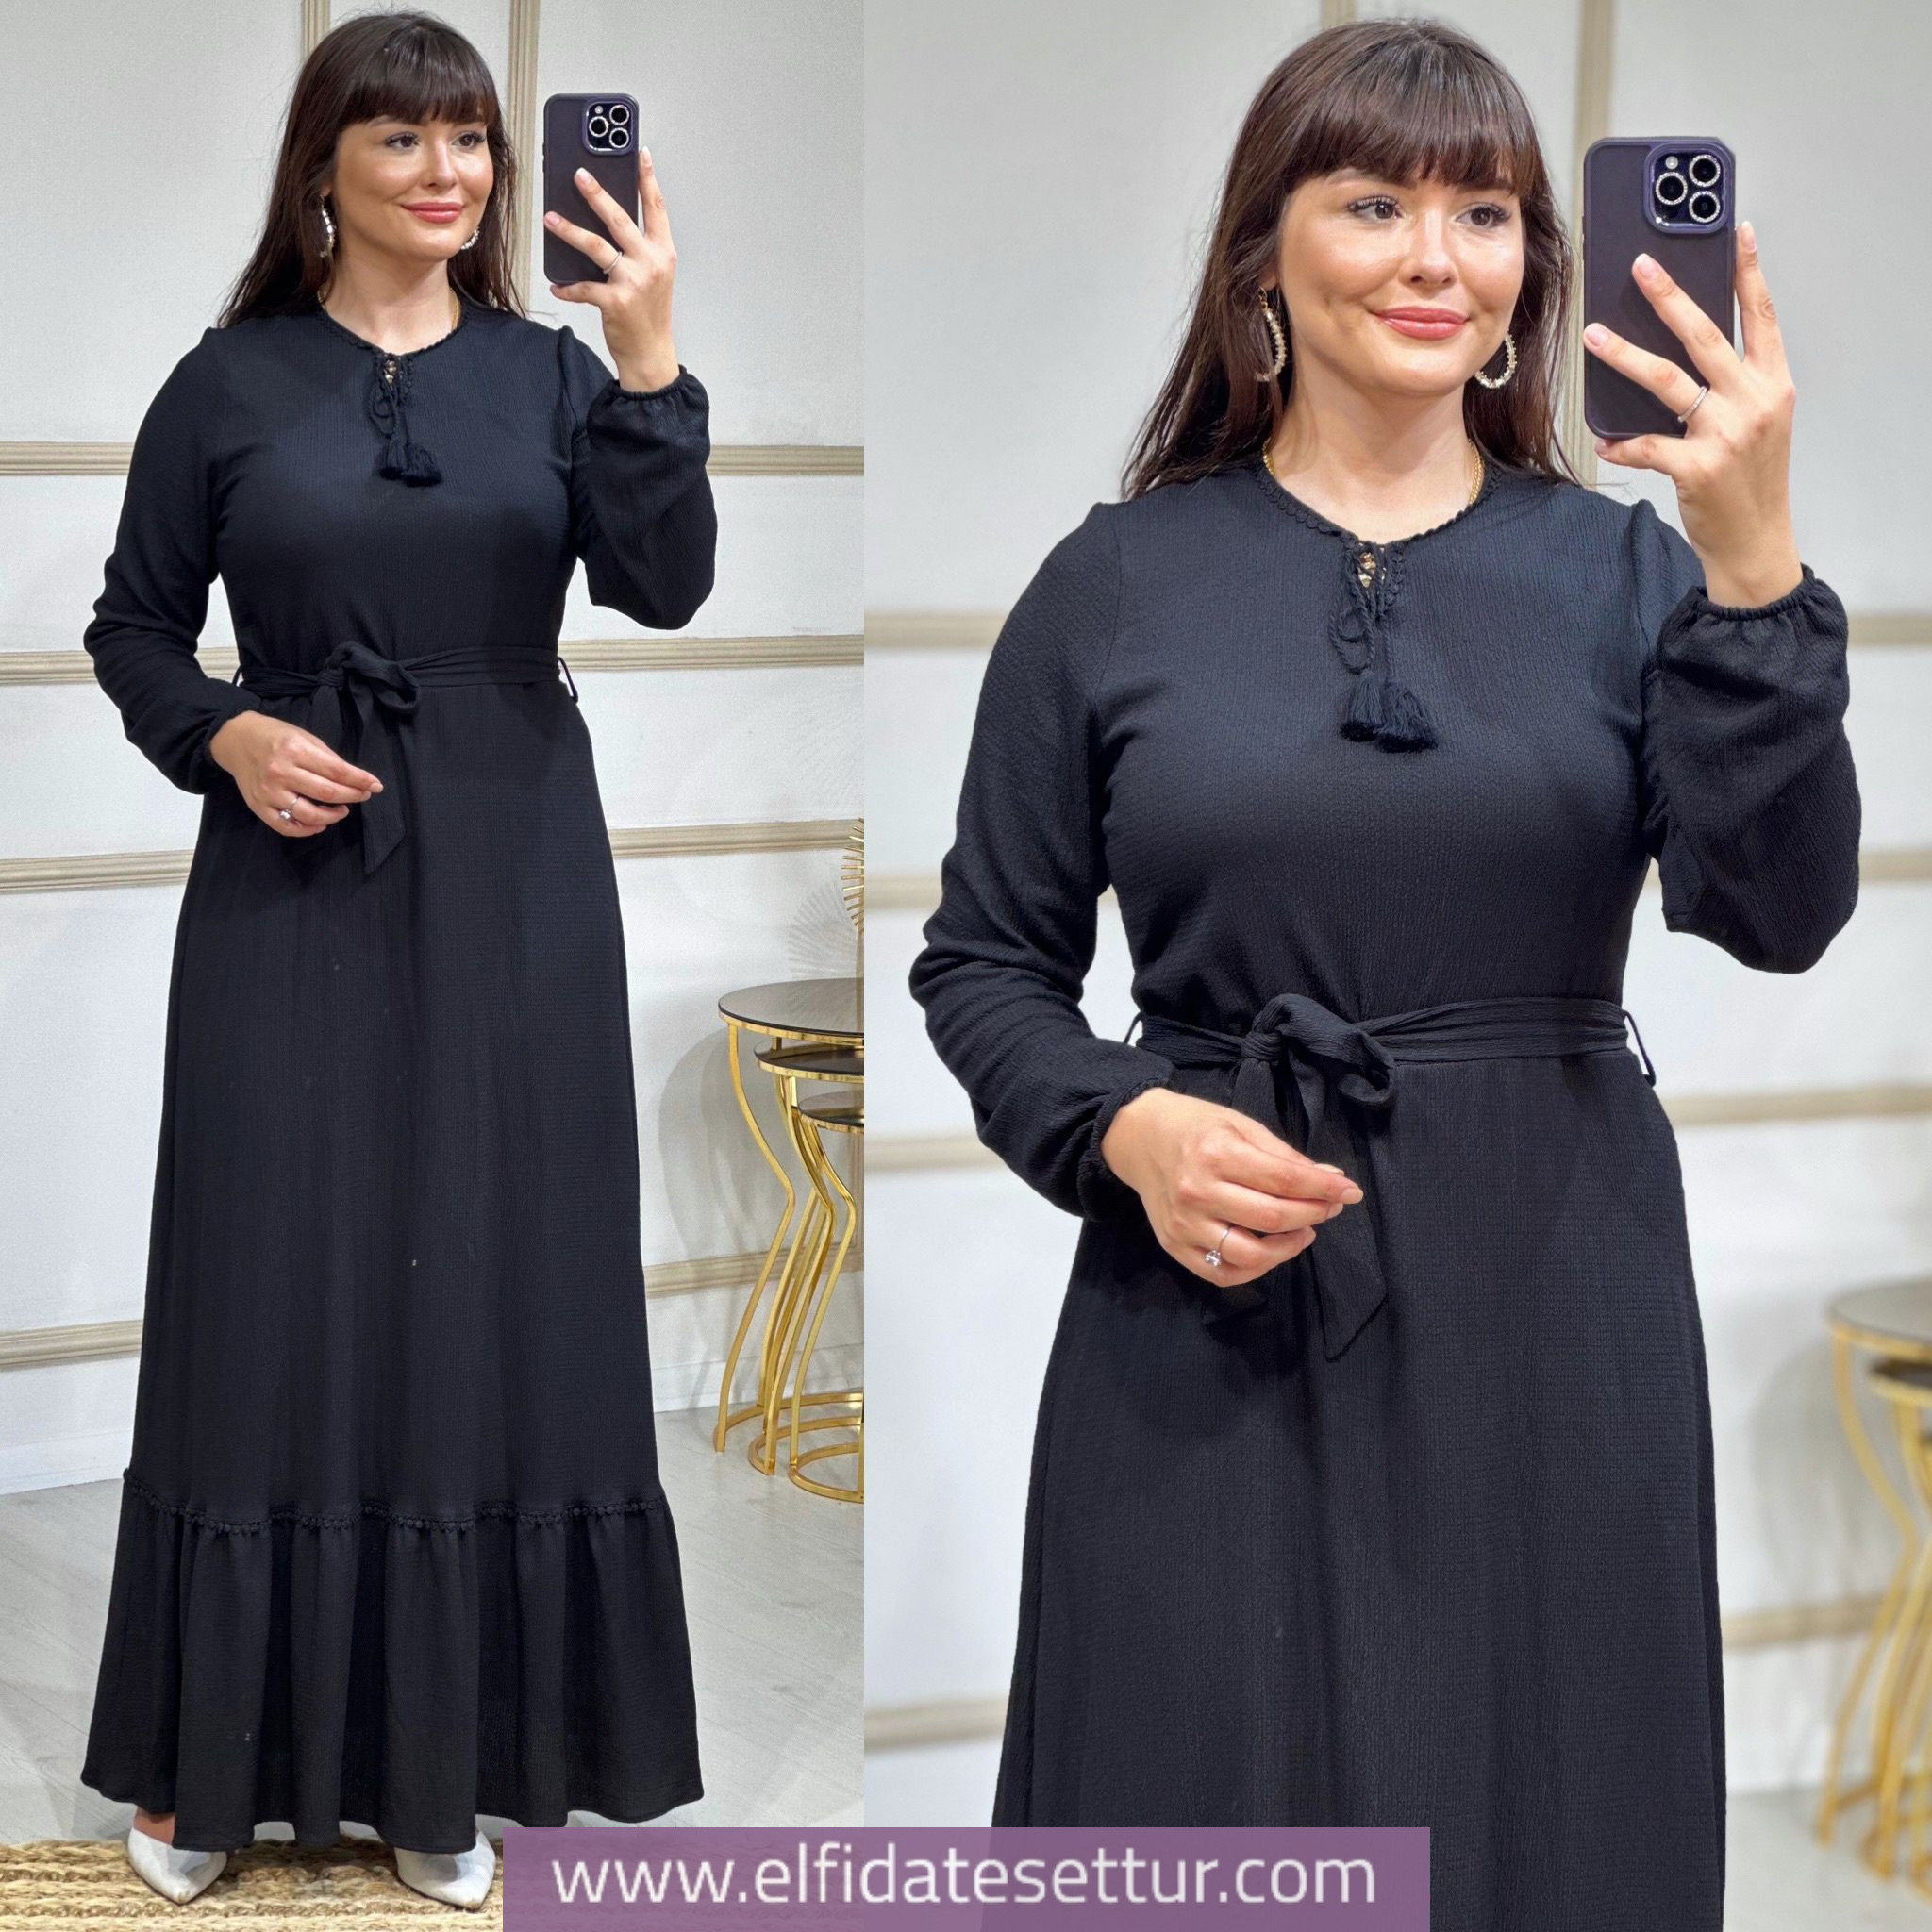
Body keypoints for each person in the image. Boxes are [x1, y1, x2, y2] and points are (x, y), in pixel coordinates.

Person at [907, 19, 1858, 1929]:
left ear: (1532, 269)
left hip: (1552, 1296)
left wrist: (1753, 564)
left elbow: (1777, 909)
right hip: (1208, 1300)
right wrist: (1128, 1128)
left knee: (1544, 1805)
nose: (1438, 258)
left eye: (1485, 213)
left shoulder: (1630, 577)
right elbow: (985, 962)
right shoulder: (1113, 583)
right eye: (1374, 204)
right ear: (1264, 252)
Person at [78, 13, 713, 1907]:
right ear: (324, 168)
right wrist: (225, 733)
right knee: (267, 1283)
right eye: (403, 138)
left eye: (472, 140)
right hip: (289, 881)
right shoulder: (226, 383)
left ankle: (441, 1765)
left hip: (517, 880)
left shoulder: (554, 372)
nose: (448, 172)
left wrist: (650, 351)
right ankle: (208, 1770)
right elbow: (131, 629)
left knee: (488, 1289)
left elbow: (666, 583)